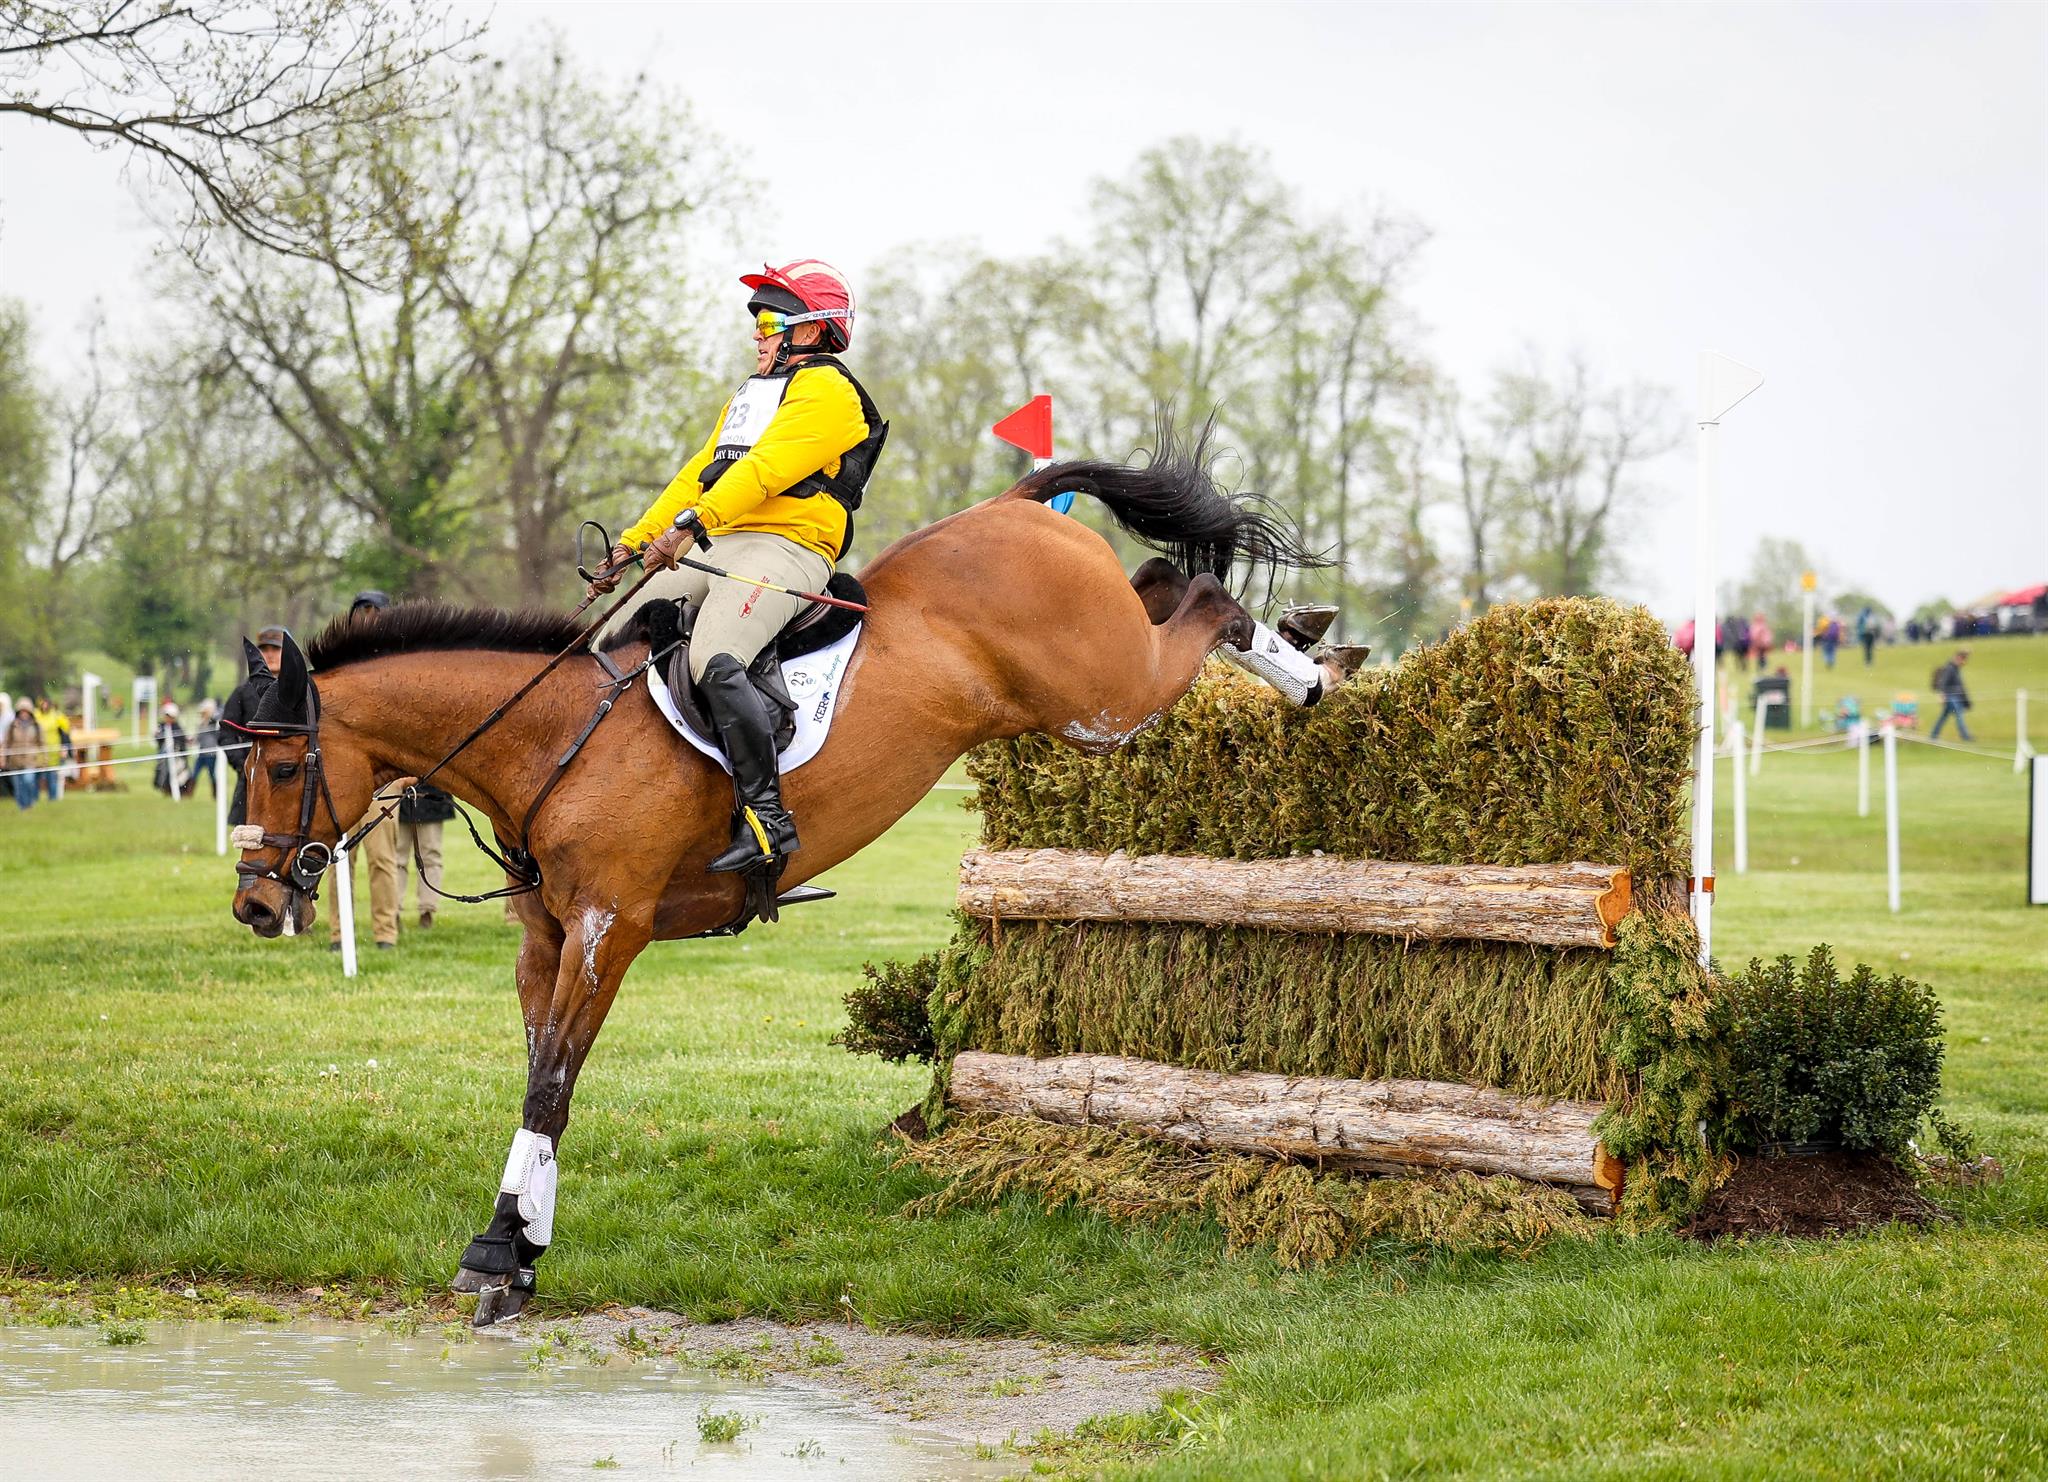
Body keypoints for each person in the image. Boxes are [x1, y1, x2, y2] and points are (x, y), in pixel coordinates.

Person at [590, 258, 887, 877]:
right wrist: (634, 542)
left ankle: (767, 819)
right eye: (756, 321)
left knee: (715, 655)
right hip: (717, 538)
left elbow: (767, 470)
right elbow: (702, 471)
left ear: (811, 331)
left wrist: (690, 527)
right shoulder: (753, 395)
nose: (758, 332)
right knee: (603, 642)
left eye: (771, 320)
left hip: (786, 547)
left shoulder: (830, 392)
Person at [331, 591, 403, 951]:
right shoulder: (340, 663)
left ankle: (385, 933)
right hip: (344, 779)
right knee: (339, 860)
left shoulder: (400, 666)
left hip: (385, 782)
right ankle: (338, 932)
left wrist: (405, 778)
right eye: (362, 613)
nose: (369, 619)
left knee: (382, 860)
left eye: (376, 613)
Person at [222, 626, 285, 827]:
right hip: (253, 778)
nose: (270, 654)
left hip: (292, 777)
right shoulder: (242, 692)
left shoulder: (299, 689)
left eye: (275, 649)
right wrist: (244, 766)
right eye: (264, 649)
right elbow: (226, 733)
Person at [396, 782, 455, 928]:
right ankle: (393, 910)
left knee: (430, 856)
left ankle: (427, 910)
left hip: (431, 796)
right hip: (400, 794)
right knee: (397, 858)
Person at [6, 698, 42, 810]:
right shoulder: (12, 726)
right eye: (22, 711)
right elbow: (7, 742)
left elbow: (41, 743)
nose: (24, 714)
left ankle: (30, 803)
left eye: (26, 711)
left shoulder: (36, 726)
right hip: (15, 760)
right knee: (18, 786)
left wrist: (43, 759)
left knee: (28, 781)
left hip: (30, 759)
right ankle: (22, 807)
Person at [1930, 649, 1973, 741]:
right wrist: (1942, 696)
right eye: (1963, 659)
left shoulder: (1954, 668)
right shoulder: (1950, 668)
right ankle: (1965, 736)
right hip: (1952, 697)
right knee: (1959, 715)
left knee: (1944, 716)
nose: (1964, 662)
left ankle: (1933, 735)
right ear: (1958, 658)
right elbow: (1942, 683)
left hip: (1953, 697)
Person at [32, 695, 68, 802]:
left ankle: (53, 799)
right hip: (38, 752)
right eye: (43, 704)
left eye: (46, 703)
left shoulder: (57, 716)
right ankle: (34, 798)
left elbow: (65, 733)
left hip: (53, 752)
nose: (45, 706)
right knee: (36, 777)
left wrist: (64, 748)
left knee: (51, 778)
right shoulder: (35, 715)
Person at [153, 700, 191, 796]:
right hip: (164, 757)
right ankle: (166, 790)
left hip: (178, 757)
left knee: (180, 775)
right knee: (163, 773)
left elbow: (181, 743)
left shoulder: (177, 727)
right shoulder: (161, 726)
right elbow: (158, 740)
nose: (167, 718)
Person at [190, 698, 222, 798]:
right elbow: (198, 738)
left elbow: (217, 733)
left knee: (212, 775)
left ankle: (215, 794)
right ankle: (189, 793)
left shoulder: (213, 723)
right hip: (201, 753)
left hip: (211, 754)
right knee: (194, 773)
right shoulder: (200, 724)